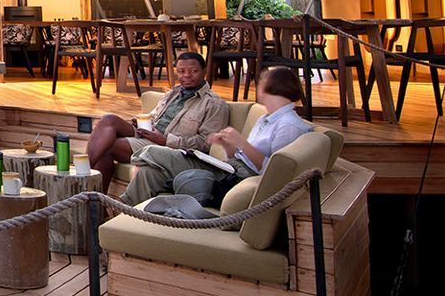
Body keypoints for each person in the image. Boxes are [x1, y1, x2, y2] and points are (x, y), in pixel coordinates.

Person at [121, 66, 316, 206]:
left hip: (239, 178)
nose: (259, 89)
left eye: (261, 84)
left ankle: (121, 202)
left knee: (151, 152)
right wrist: (228, 144)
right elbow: (240, 157)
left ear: (272, 88)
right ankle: (124, 218)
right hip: (231, 168)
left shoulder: (289, 125)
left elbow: (273, 171)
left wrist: (241, 141)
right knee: (150, 174)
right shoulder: (267, 118)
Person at [83, 50, 228, 189]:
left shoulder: (214, 104)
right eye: (181, 71)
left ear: (204, 71)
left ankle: (84, 179)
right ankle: (85, 178)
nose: (187, 76)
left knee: (106, 147)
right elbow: (154, 115)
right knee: (108, 120)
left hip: (168, 147)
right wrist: (138, 122)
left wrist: (165, 140)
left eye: (193, 71)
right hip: (149, 133)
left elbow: (205, 144)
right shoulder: (174, 93)